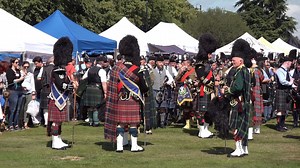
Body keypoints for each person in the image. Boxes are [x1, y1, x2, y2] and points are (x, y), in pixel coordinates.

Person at [104, 35, 148, 152]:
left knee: (120, 123)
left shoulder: (116, 68)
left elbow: (111, 85)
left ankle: (119, 146)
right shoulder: (137, 69)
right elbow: (144, 87)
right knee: (133, 124)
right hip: (133, 100)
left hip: (120, 99)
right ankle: (134, 146)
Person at [222, 39, 251, 157]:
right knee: (243, 126)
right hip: (244, 102)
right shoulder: (246, 71)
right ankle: (244, 148)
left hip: (238, 103)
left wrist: (228, 89)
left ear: (241, 60)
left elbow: (238, 87)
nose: (232, 61)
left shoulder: (240, 72)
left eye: (234, 60)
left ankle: (238, 150)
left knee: (237, 127)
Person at [47, 37, 74, 150]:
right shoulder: (57, 70)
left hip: (61, 99)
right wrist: (68, 86)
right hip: (56, 99)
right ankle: (55, 141)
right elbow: (59, 84)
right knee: (56, 122)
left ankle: (58, 139)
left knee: (59, 122)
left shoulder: (62, 69)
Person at [193, 33, 217, 138]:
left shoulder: (207, 63)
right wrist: (212, 83)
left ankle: (206, 129)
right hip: (203, 90)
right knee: (201, 112)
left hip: (209, 90)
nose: (211, 55)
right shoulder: (200, 65)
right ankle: (201, 130)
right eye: (209, 53)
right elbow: (201, 78)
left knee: (208, 111)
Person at [80, 56, 107, 127]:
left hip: (88, 88)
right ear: (102, 63)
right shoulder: (102, 71)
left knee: (90, 107)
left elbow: (83, 78)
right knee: (96, 106)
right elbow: (104, 83)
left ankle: (90, 121)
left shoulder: (89, 69)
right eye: (104, 62)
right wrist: (105, 92)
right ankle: (96, 122)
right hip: (97, 89)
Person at [275, 50, 295, 131]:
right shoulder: (280, 70)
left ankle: (282, 125)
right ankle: (279, 125)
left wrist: (293, 85)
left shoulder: (286, 71)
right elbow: (282, 81)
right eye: (290, 63)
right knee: (280, 110)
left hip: (286, 91)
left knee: (284, 110)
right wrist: (290, 83)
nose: (291, 65)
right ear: (287, 63)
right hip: (281, 91)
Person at [6, 58, 24, 131]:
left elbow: (22, 78)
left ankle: (16, 124)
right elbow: (12, 80)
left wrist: (21, 74)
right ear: (12, 63)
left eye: (18, 63)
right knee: (12, 109)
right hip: (13, 91)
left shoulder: (18, 71)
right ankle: (10, 124)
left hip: (19, 90)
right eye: (16, 62)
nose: (17, 64)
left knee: (18, 109)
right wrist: (20, 79)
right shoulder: (9, 71)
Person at [20, 61, 36, 129]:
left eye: (27, 67)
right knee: (20, 108)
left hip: (29, 92)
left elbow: (32, 83)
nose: (26, 68)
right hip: (21, 92)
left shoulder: (30, 74)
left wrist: (33, 92)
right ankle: (19, 123)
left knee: (27, 108)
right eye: (25, 67)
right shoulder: (20, 73)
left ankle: (26, 123)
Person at [40, 57, 55, 128]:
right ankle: (53, 122)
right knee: (54, 106)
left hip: (45, 89)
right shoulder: (56, 68)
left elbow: (40, 78)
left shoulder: (44, 68)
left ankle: (46, 122)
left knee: (45, 107)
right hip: (54, 89)